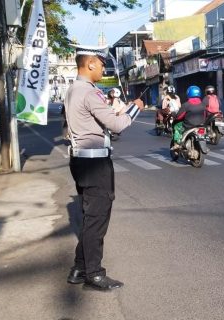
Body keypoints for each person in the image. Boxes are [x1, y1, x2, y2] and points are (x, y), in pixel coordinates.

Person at [64, 44, 144, 291]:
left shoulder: (74, 89)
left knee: (91, 218)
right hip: (94, 163)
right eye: (101, 64)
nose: (103, 68)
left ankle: (79, 268)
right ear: (89, 64)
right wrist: (136, 108)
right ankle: (94, 275)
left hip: (82, 160)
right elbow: (118, 124)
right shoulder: (89, 92)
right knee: (97, 219)